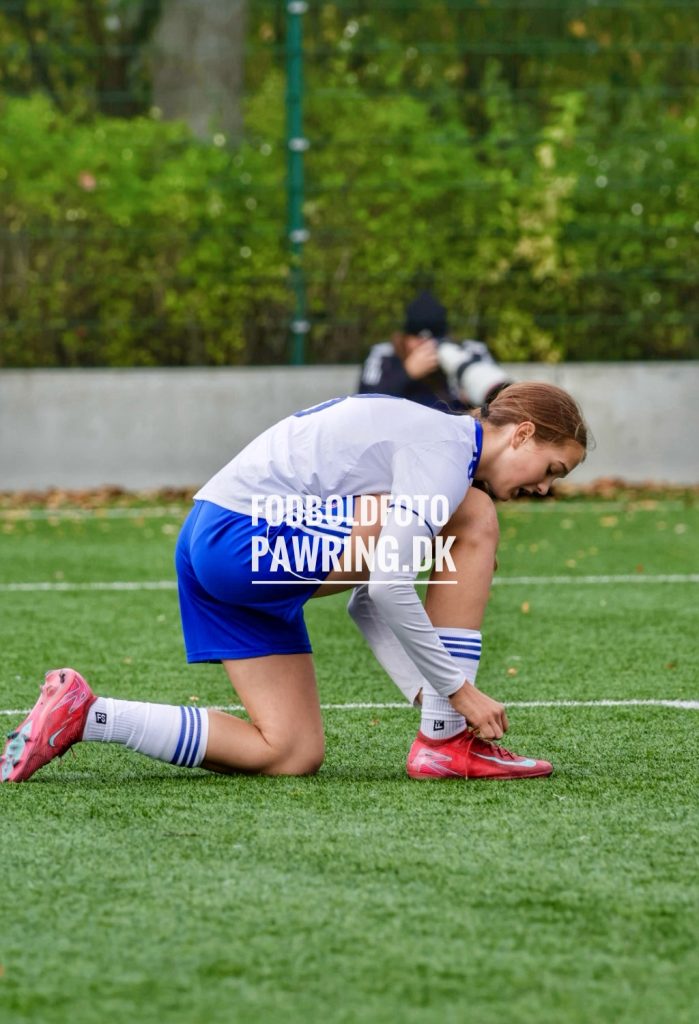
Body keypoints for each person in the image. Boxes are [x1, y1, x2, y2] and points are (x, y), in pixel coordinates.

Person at [1, 382, 588, 785]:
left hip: (211, 539)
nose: (544, 488)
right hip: (242, 539)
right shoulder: (446, 449)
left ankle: (88, 714)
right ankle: (449, 743)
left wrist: (427, 692)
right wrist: (457, 695)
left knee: (289, 751)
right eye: (551, 470)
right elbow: (387, 587)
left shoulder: (432, 441)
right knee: (476, 516)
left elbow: (366, 601)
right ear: (522, 433)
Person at [358, 290, 511, 412]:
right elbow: (364, 402)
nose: (427, 346)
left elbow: (502, 397)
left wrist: (473, 398)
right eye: (418, 339)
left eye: (434, 340)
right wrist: (406, 373)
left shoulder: (470, 351)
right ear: (405, 338)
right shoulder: (383, 355)